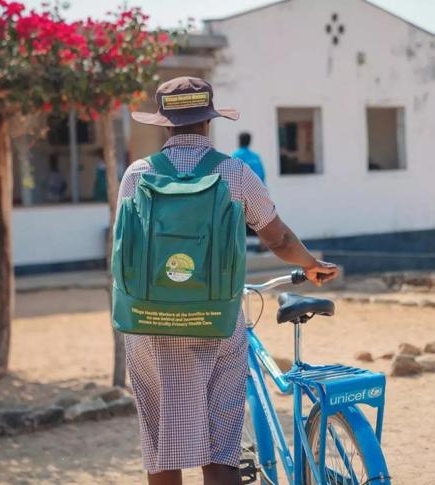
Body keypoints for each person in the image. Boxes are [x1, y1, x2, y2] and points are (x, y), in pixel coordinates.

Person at [120, 76, 339, 485]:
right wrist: (310, 265)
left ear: (165, 125)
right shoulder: (234, 172)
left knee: (160, 447)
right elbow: (278, 238)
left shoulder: (137, 174)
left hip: (149, 323)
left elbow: (125, 250)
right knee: (221, 451)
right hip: (216, 320)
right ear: (208, 121)